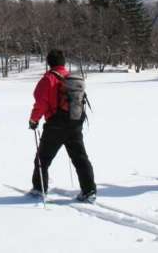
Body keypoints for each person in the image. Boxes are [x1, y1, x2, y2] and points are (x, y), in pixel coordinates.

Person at [28, 49, 97, 203]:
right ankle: (89, 191)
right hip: (75, 123)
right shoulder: (71, 78)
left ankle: (39, 189)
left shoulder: (48, 79)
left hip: (55, 125)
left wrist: (34, 120)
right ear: (63, 62)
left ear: (49, 63)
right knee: (80, 158)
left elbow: (41, 103)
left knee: (42, 159)